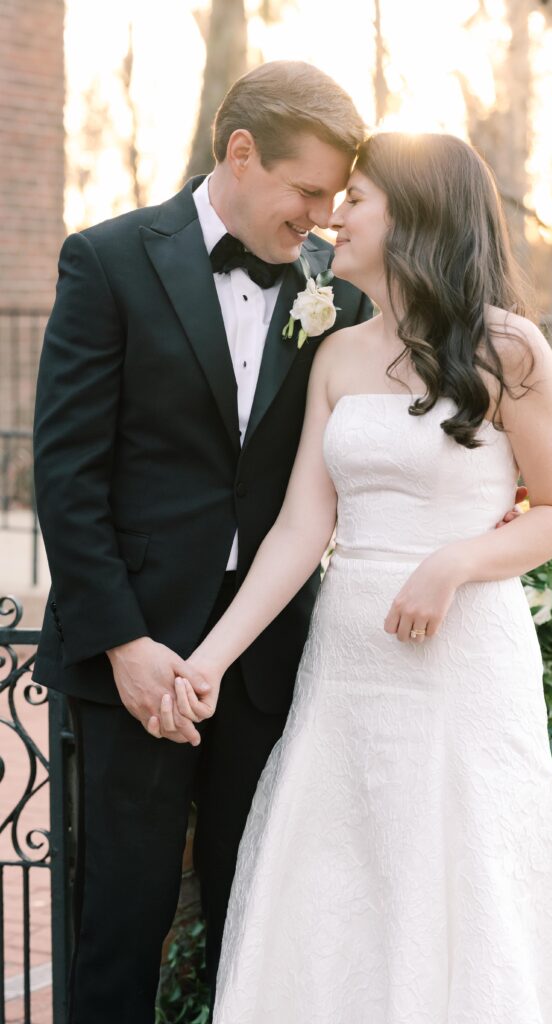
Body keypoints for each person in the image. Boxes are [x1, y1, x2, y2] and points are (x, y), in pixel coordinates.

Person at [155, 133, 552, 1023]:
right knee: (342, 885)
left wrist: (454, 562)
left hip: (462, 663)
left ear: (419, 215)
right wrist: (209, 660)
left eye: (359, 197)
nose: (334, 213)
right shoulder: (337, 355)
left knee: (464, 877)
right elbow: (298, 532)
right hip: (348, 673)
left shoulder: (509, 351)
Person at [33, 61, 377, 1024]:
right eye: (305, 190)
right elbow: (67, 477)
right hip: (131, 654)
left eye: (332, 198)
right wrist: (124, 642)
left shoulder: (336, 295)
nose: (318, 216)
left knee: (259, 922)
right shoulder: (106, 260)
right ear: (239, 152)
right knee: (119, 925)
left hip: (268, 659)